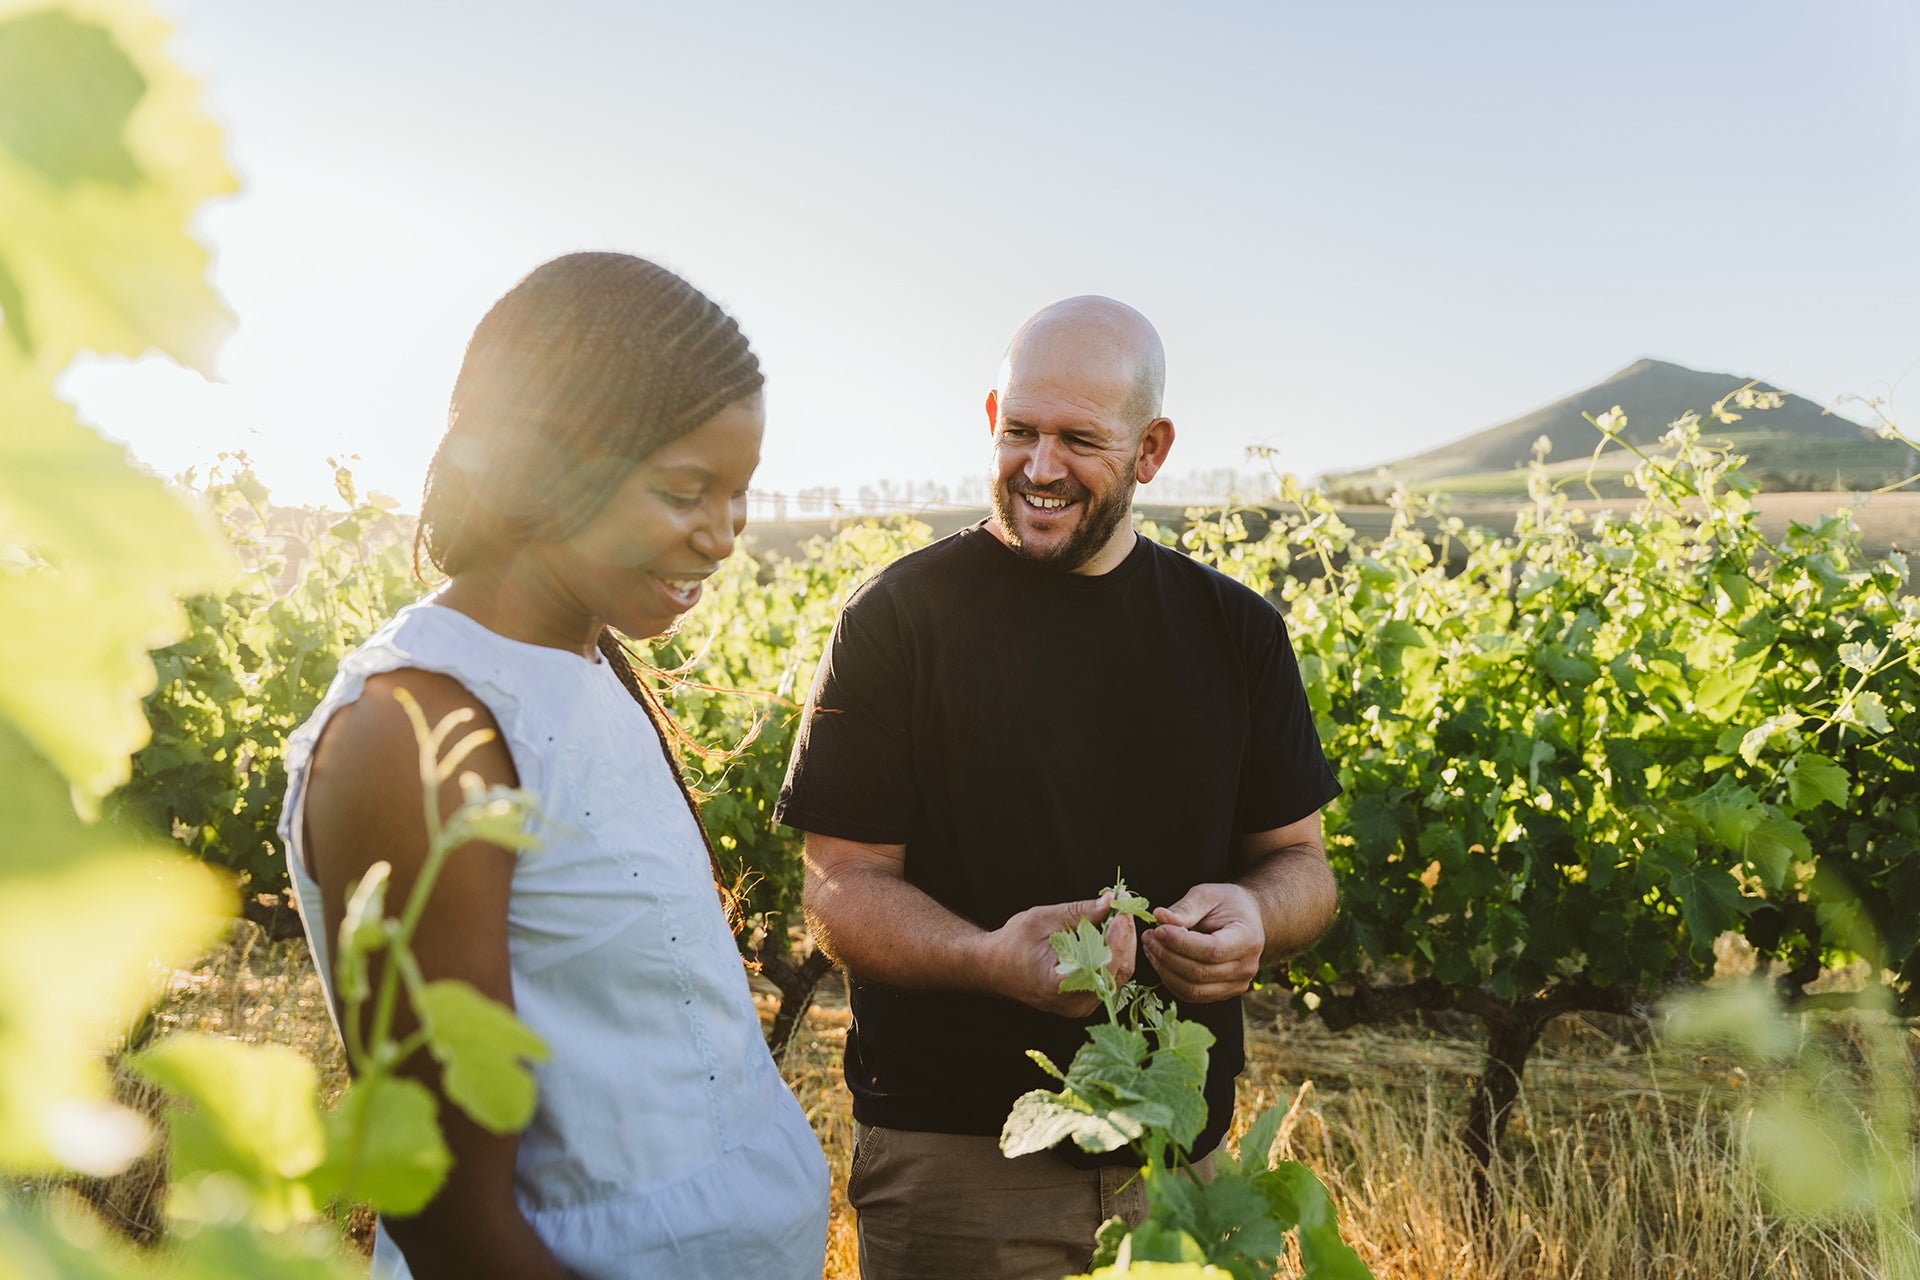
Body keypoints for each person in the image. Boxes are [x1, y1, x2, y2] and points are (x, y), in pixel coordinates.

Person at [281, 253, 830, 1280]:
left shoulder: (585, 663)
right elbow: (452, 1223)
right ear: (547, 468)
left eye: (740, 492)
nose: (724, 535)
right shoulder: (420, 732)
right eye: (686, 491)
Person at [776, 295, 1341, 1280]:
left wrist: (1257, 912)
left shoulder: (1236, 632)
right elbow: (839, 886)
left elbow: (1302, 864)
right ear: (992, 415)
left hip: (1179, 1160)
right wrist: (986, 957)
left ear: (1151, 449)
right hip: (965, 1166)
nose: (1040, 467)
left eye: (1080, 440)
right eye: (1021, 431)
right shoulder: (898, 619)